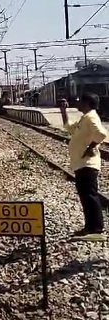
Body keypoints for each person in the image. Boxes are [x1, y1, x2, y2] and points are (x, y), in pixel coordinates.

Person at [60, 94, 109, 239]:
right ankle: (90, 227)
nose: (78, 103)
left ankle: (96, 228)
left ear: (87, 103)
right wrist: (63, 112)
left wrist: (91, 146)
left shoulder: (91, 117)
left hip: (88, 164)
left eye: (80, 101)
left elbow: (101, 134)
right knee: (86, 196)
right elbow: (69, 128)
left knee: (89, 196)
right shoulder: (85, 117)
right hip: (81, 164)